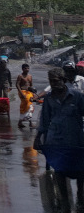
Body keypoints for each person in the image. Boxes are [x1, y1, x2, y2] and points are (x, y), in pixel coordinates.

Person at [35, 67, 84, 209]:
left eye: (56, 81)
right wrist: (38, 138)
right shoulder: (49, 99)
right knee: (59, 170)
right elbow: (44, 120)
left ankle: (81, 197)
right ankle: (64, 202)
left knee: (81, 171)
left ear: (63, 81)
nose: (53, 84)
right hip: (56, 141)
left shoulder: (77, 96)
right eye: (51, 81)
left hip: (76, 139)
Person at [17, 63, 34, 129]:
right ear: (22, 69)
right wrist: (21, 93)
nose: (27, 69)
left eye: (28, 68)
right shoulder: (20, 76)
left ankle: (21, 122)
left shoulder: (30, 76)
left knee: (29, 106)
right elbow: (17, 85)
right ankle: (30, 123)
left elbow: (31, 85)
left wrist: (33, 93)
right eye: (25, 68)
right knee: (28, 105)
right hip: (22, 92)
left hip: (29, 92)